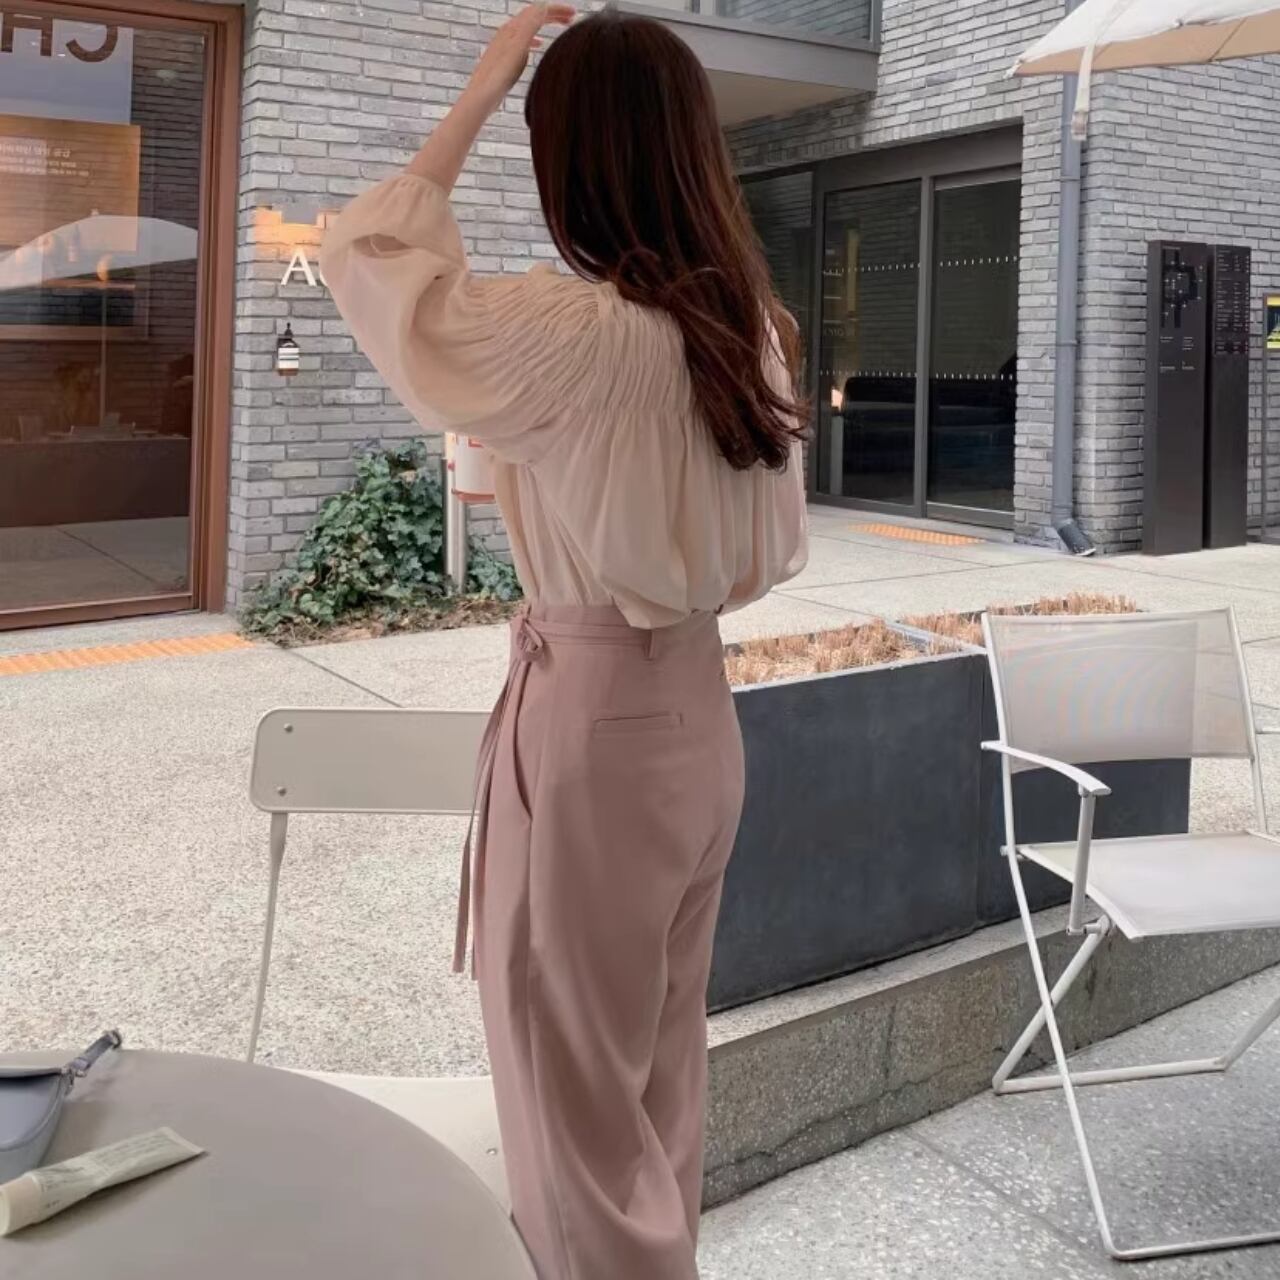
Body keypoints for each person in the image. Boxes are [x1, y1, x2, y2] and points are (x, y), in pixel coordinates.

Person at [320, 7, 808, 1277]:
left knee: (567, 1103)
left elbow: (368, 253)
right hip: (696, 713)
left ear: (568, 156)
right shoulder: (748, 328)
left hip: (591, 718)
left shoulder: (577, 333)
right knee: (654, 1078)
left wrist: (488, 77)